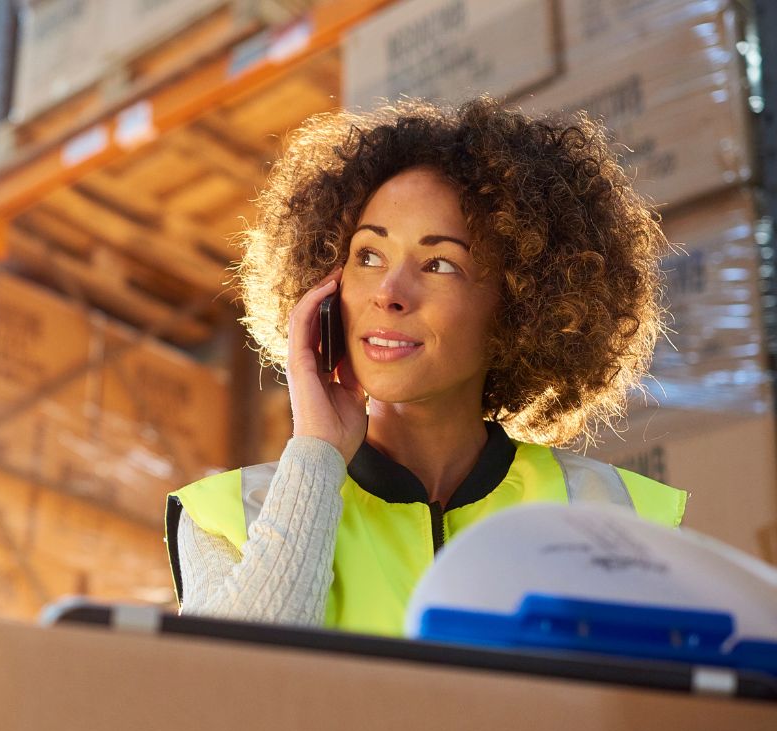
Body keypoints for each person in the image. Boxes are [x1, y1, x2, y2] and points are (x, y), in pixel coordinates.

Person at [165, 97, 687, 636]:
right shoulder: (228, 515)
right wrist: (316, 456)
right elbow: (234, 693)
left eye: (439, 264)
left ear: (522, 306)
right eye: (369, 255)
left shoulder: (612, 517)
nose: (389, 293)